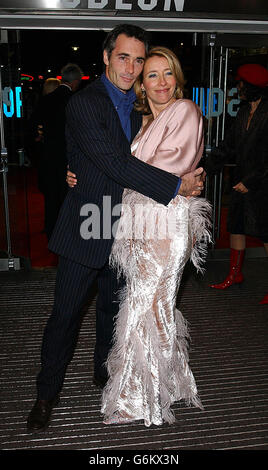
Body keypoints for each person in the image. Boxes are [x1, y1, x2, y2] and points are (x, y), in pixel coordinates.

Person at [26, 24, 205, 433]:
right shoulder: (85, 103)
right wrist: (178, 185)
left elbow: (163, 150)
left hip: (131, 229)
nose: (131, 67)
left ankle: (108, 378)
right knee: (66, 314)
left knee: (113, 310)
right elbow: (116, 163)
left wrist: (188, 179)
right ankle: (45, 394)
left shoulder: (145, 109)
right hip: (91, 221)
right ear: (106, 57)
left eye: (139, 60)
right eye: (123, 57)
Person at [68, 47, 211, 426]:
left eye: (168, 74)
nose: (161, 82)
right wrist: (87, 170)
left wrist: (112, 168)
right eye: (152, 75)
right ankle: (170, 384)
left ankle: (137, 399)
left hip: (165, 225)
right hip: (143, 223)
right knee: (155, 306)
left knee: (142, 305)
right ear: (142, 87)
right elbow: (118, 164)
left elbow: (168, 168)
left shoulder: (185, 111)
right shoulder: (145, 121)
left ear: (177, 79)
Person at [206, 64, 268, 304]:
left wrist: (250, 181)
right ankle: (234, 274)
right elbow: (227, 146)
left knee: (265, 234)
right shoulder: (243, 112)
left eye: (241, 83)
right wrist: (205, 170)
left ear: (252, 85)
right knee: (237, 228)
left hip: (262, 185)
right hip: (241, 183)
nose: (238, 87)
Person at [40, 63, 83, 241]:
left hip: (49, 155)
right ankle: (66, 233)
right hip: (68, 156)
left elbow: (33, 125)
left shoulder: (47, 99)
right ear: (75, 82)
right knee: (67, 196)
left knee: (51, 195)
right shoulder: (75, 100)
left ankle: (51, 231)